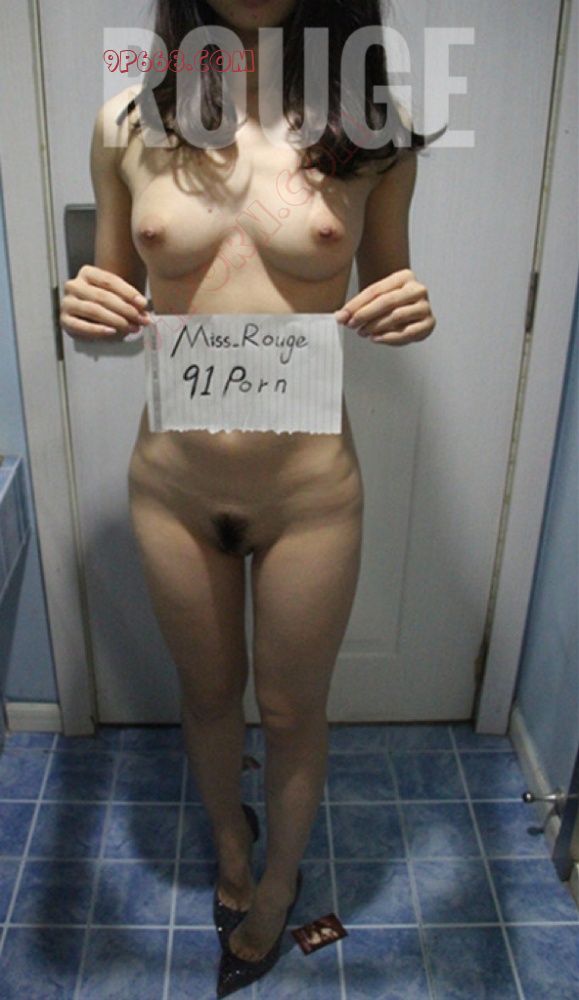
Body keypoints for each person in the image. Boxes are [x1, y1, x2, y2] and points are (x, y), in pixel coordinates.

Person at [60, 1, 440, 993]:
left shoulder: (373, 136)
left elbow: (389, 284)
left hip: (309, 492)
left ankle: (275, 888)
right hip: (173, 486)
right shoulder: (127, 125)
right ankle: (232, 849)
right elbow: (108, 287)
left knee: (293, 707)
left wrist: (409, 303)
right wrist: (83, 304)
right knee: (206, 695)